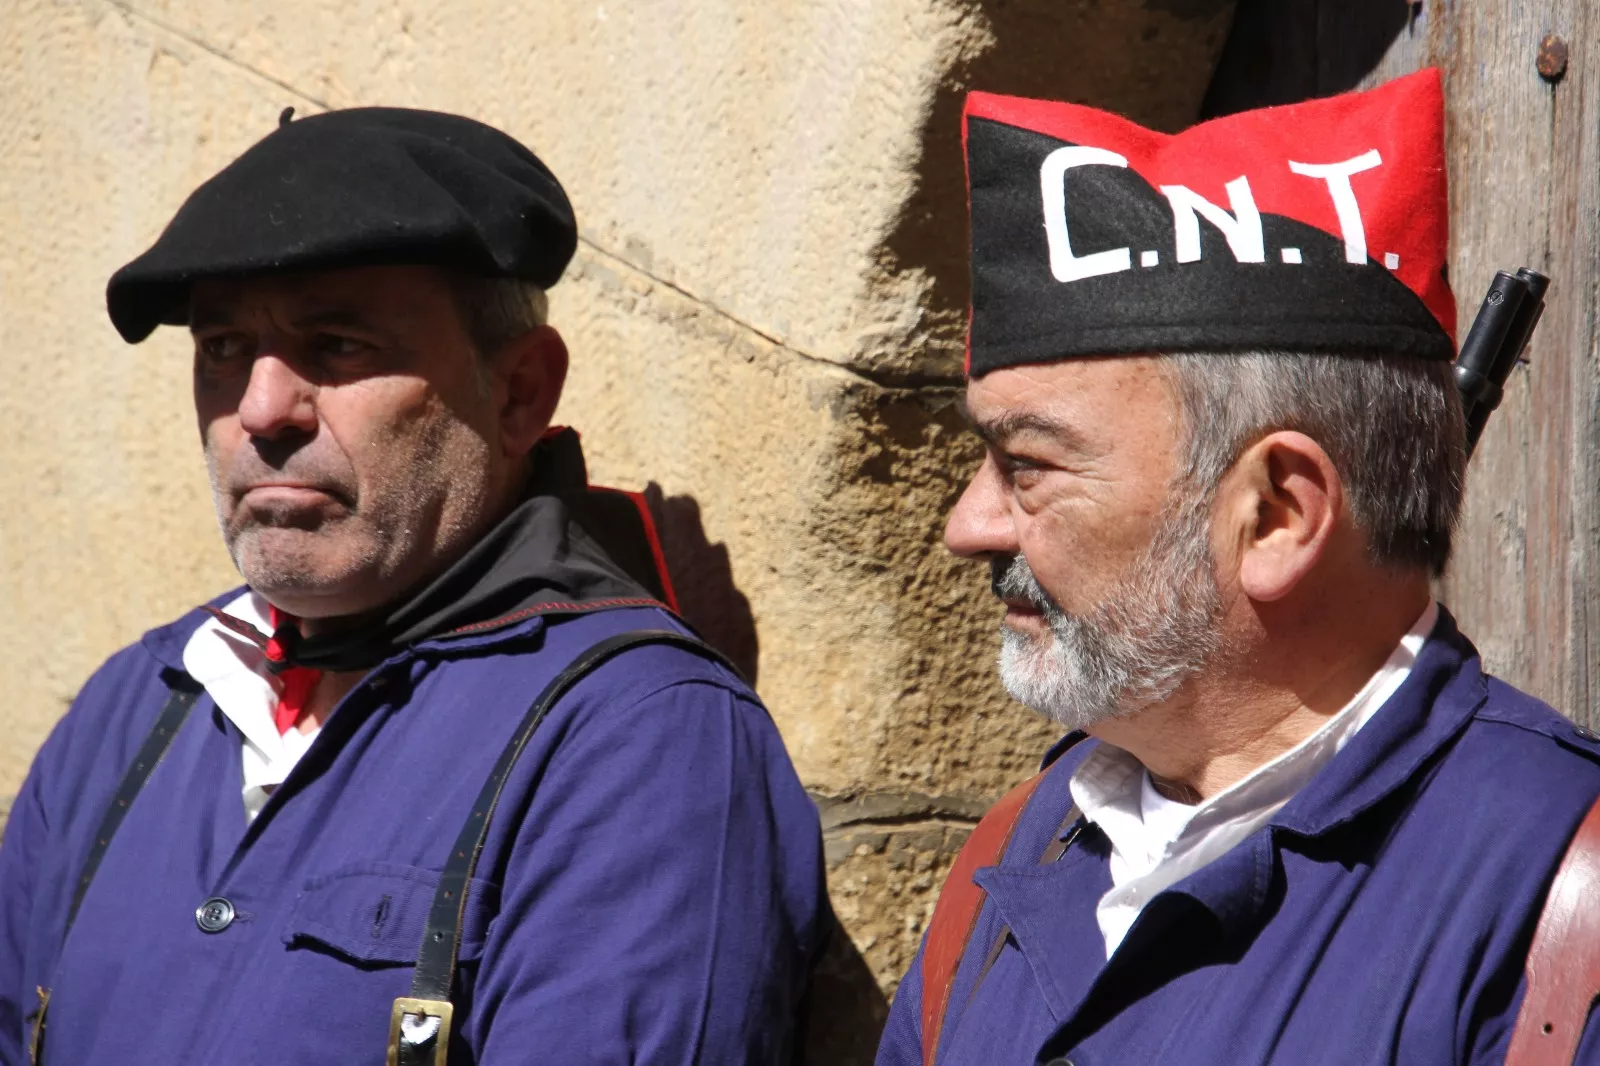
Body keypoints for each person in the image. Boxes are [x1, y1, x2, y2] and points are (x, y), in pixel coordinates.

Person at [0, 106, 828, 1065]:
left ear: (519, 391)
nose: (262, 410)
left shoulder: (640, 741)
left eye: (338, 344)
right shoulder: (135, 706)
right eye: (222, 348)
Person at [877, 68, 1600, 1066]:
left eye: (1026, 465)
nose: (968, 525)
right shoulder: (1013, 850)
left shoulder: (1559, 904)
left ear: (1275, 516)